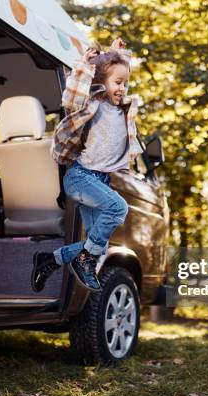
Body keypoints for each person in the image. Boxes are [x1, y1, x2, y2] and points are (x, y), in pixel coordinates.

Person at [31, 38, 144, 292]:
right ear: (101, 82)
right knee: (118, 207)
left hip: (99, 181)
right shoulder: (92, 105)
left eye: (125, 83)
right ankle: (84, 261)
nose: (122, 88)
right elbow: (73, 96)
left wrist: (118, 53)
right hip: (80, 178)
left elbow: (117, 71)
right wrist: (83, 66)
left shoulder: (123, 109)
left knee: (99, 245)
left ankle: (51, 259)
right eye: (117, 83)